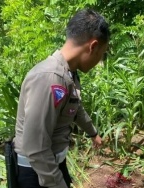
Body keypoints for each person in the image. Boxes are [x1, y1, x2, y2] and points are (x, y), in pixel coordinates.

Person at [12, 9, 110, 188]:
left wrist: (93, 133)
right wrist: (57, 184)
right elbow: (36, 148)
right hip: (37, 173)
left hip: (51, 165)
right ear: (93, 46)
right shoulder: (49, 77)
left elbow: (75, 108)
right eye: (102, 54)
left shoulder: (68, 73)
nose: (99, 62)